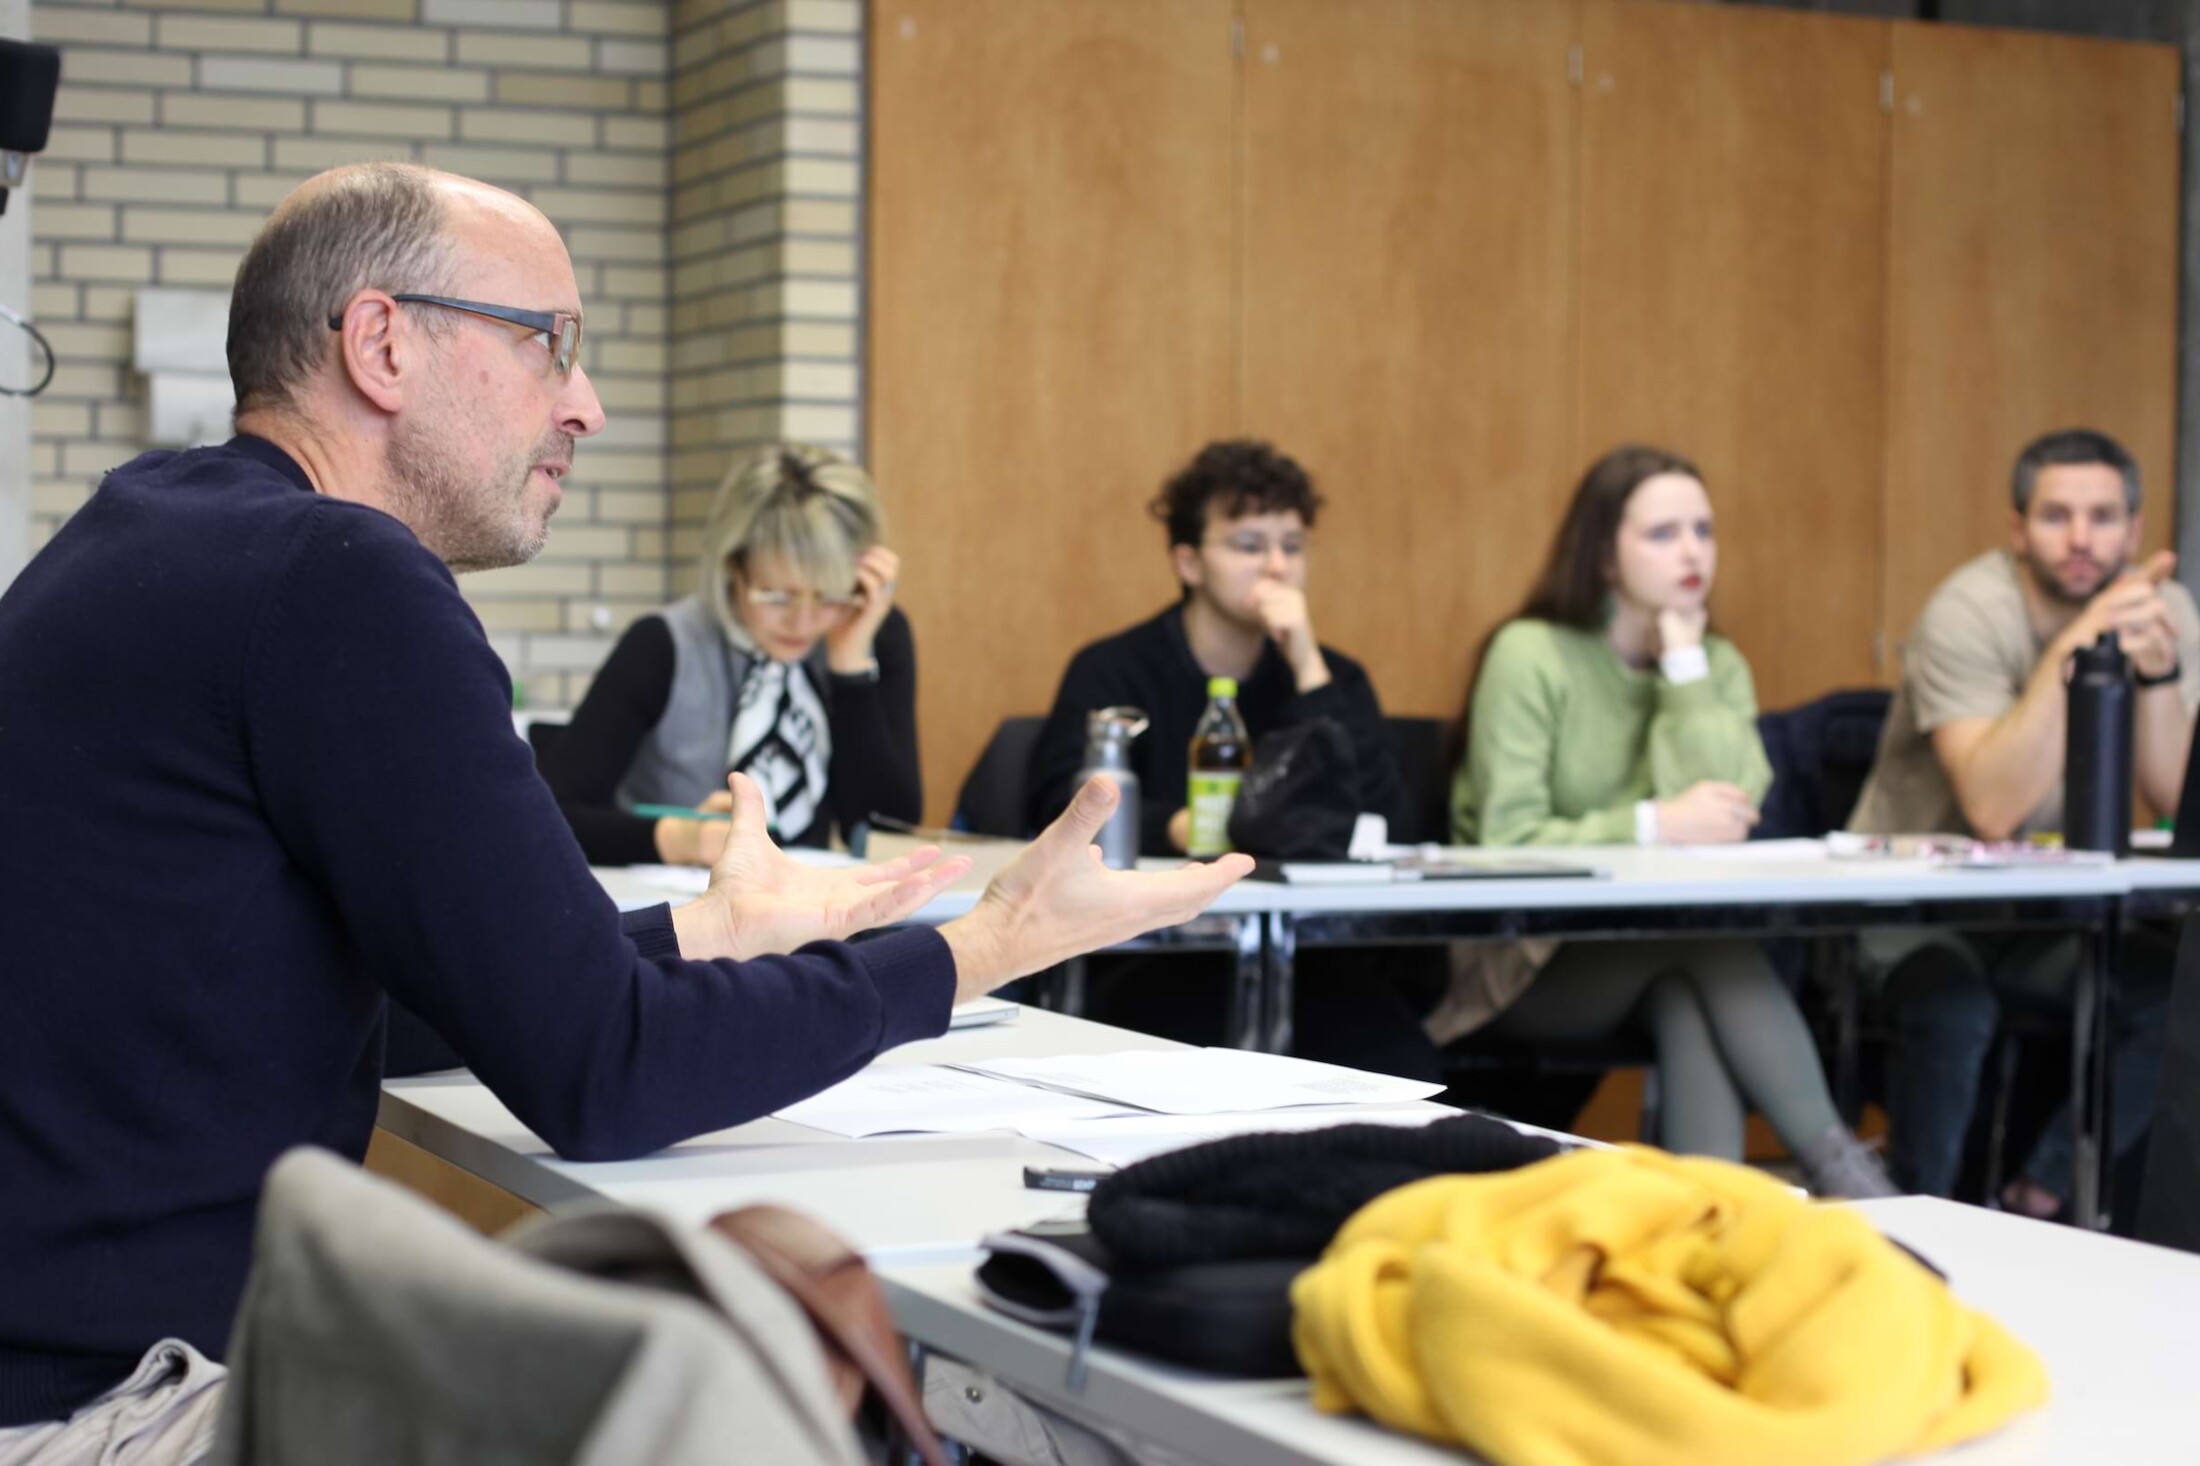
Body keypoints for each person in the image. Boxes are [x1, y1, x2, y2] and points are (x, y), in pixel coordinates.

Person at [0, 162, 1250, 1460]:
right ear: (381, 344)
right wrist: (984, 944)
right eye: (548, 342)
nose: (584, 403)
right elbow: (604, 1072)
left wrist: (709, 931)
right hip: (103, 1410)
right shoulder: (338, 575)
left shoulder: (150, 530)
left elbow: (421, 1002)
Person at [1446, 444, 1893, 1198]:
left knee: (1688, 987)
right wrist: (1654, 823)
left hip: (1659, 948)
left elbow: (1731, 809)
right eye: (1663, 533)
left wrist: (1683, 667)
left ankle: (1707, 1219)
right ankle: (1847, 1177)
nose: (1692, 552)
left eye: (1703, 531)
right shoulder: (1531, 653)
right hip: (1523, 961)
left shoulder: (1713, 663)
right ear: (1603, 553)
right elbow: (1506, 838)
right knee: (1705, 948)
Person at [1849, 427, 2195, 1209]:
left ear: (2135, 530)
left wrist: (2157, 675)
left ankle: (2038, 1197)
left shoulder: (2159, 609)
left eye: (2103, 517)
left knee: (2174, 990)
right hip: (1916, 910)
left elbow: (2176, 800)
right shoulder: (1969, 609)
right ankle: (1918, 1222)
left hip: (2046, 919)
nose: (2081, 539)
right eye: (2056, 516)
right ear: (2017, 529)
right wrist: (2080, 642)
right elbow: (1993, 807)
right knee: (1954, 1010)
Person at [1025, 439, 1433, 1078]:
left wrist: (1307, 666)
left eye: (1292, 547)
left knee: (1403, 1063)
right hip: (1151, 949)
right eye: (1249, 546)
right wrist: (1179, 828)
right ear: (1188, 561)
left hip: (1310, 955)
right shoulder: (1114, 669)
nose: (1277, 567)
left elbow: (1389, 821)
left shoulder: (1334, 679)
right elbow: (1056, 806)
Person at [540, 443, 919, 865]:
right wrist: (679, 840)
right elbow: (551, 813)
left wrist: (850, 669)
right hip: (679, 897)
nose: (803, 622)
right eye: (776, 595)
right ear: (734, 567)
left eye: (828, 595)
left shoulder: (873, 632)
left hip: (811, 894)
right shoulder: (665, 643)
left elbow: (886, 827)